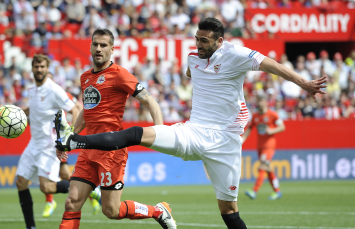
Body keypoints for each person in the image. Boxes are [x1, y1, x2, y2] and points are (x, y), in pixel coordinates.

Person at [55, 18, 327, 229]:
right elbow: (191, 67)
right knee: (137, 134)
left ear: (220, 41)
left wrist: (303, 84)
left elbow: (272, 65)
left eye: (205, 41)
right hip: (194, 131)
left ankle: (158, 209)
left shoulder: (236, 54)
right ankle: (76, 141)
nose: (198, 45)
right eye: (197, 39)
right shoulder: (193, 59)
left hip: (226, 142)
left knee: (229, 212)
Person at [54, 28, 175, 229]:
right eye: (95, 44)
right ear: (90, 47)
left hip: (111, 151)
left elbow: (150, 101)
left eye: (103, 45)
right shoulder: (85, 77)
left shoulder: (119, 74)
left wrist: (160, 132)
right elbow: (88, 110)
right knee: (72, 201)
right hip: (88, 149)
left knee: (111, 210)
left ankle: (158, 211)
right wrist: (70, 136)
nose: (99, 49)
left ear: (112, 49)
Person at [16, 54, 81, 229]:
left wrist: (70, 135)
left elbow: (75, 109)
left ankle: (84, 187)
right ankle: (31, 227)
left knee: (47, 188)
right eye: (36, 67)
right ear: (32, 68)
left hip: (49, 145)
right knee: (20, 182)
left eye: (42, 67)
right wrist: (14, 112)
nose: (39, 70)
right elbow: (34, 108)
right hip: (33, 143)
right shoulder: (33, 90)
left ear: (47, 68)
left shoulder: (54, 89)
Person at [41, 86, 102, 217]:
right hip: (44, 141)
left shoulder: (61, 95)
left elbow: (79, 109)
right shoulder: (40, 97)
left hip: (55, 140)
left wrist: (71, 133)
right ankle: (91, 194)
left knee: (48, 176)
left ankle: (50, 201)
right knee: (63, 173)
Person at [242, 95, 285, 200]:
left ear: (266, 102)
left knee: (262, 166)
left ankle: (254, 191)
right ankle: (277, 191)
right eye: (258, 101)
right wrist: (242, 140)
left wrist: (272, 131)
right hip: (260, 146)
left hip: (269, 145)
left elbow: (282, 127)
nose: (259, 103)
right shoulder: (255, 116)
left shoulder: (272, 114)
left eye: (261, 101)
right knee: (268, 169)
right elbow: (249, 128)